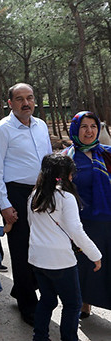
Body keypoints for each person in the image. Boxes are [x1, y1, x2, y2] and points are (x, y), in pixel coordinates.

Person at [0, 83, 52, 325]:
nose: (27, 103)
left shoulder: (41, 126)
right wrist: (4, 205)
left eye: (30, 98)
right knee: (22, 250)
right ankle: (28, 306)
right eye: (20, 99)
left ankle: (22, 288)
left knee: (41, 246)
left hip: (42, 193)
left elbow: (48, 161)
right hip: (15, 194)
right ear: (10, 103)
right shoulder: (0, 130)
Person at [27, 153, 102, 341]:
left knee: (47, 299)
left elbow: (31, 225)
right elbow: (76, 231)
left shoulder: (34, 195)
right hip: (60, 261)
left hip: (37, 258)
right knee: (72, 304)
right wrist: (95, 255)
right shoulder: (65, 197)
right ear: (67, 174)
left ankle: (40, 337)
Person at [61, 111, 111, 319]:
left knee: (107, 262)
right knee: (84, 264)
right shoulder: (66, 157)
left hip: (107, 219)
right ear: (75, 129)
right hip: (80, 221)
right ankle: (85, 303)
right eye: (84, 126)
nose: (89, 131)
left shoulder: (108, 153)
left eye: (93, 126)